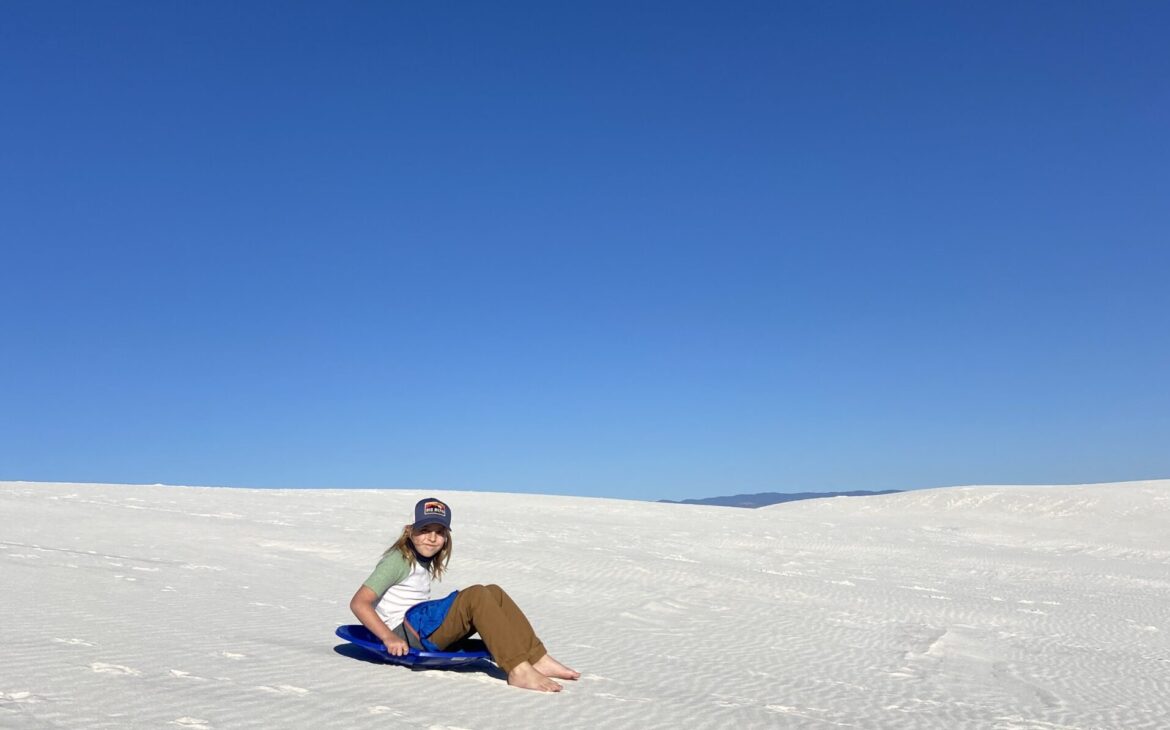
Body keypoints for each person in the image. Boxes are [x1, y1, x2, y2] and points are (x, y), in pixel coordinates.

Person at [349, 497, 579, 692]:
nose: (431, 537)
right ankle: (518, 670)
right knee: (476, 595)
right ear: (409, 531)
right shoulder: (397, 561)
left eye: (439, 532)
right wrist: (389, 638)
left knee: (494, 592)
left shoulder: (423, 560)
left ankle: (538, 658)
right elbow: (359, 603)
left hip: (419, 626)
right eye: (424, 530)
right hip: (405, 634)